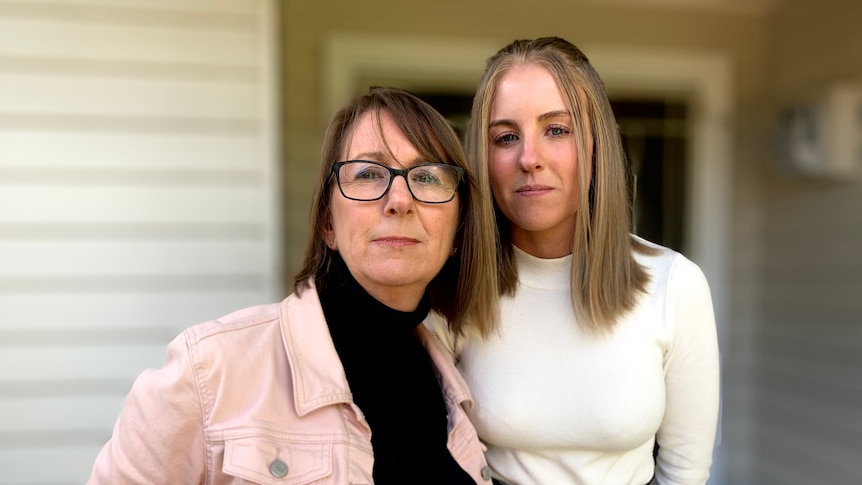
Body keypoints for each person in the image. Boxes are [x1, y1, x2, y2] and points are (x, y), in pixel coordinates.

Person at [88, 86, 500, 484]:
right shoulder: (207, 373)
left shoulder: (463, 392)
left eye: (427, 177)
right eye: (369, 173)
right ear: (327, 223)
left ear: (458, 230)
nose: (399, 199)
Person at [428, 37, 720, 485]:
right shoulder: (454, 289)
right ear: (484, 159)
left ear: (595, 143)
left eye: (556, 130)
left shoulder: (675, 285)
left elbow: (685, 470)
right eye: (506, 137)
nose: (529, 159)